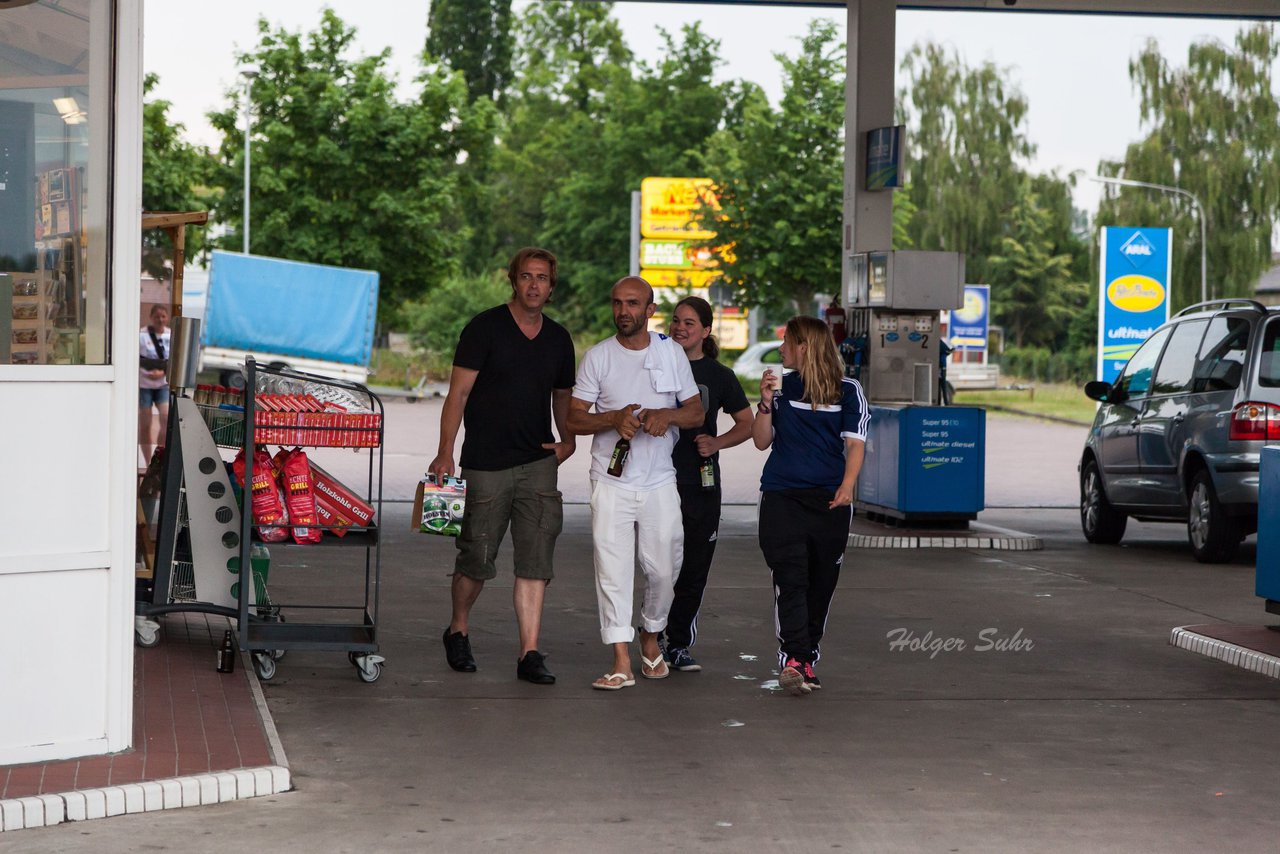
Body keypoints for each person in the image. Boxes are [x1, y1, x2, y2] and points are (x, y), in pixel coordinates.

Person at [429, 247, 577, 686]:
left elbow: (563, 396)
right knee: (476, 558)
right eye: (527, 276)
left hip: (538, 464)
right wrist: (444, 451)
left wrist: (568, 439)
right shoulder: (484, 328)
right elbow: (457, 396)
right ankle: (457, 629)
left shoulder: (558, 339)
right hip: (485, 464)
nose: (534, 285)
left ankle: (529, 652)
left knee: (536, 561)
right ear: (513, 280)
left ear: (552, 286)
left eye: (543, 278)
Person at [567, 276, 704, 691]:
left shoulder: (672, 353)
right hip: (610, 479)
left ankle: (650, 635)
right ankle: (620, 660)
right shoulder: (598, 358)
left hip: (660, 478)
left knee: (664, 568)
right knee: (612, 569)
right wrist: (610, 418)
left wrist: (667, 415)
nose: (623, 311)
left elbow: (695, 412)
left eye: (632, 303)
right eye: (616, 303)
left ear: (649, 311)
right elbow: (573, 419)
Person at [752, 316, 868, 696]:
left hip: (831, 500)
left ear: (804, 346)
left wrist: (848, 486)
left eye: (787, 342)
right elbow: (760, 441)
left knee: (821, 581)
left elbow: (854, 444)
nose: (781, 349)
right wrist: (766, 402)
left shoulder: (848, 390)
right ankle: (794, 657)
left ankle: (806, 657)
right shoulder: (782, 388)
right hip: (782, 496)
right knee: (791, 576)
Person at [662, 296, 753, 672]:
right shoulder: (655, 365)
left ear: (706, 331)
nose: (680, 328)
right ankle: (651, 634)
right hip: (657, 479)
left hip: (700, 482)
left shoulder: (719, 375)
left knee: (694, 566)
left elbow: (746, 423)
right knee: (659, 563)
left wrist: (716, 442)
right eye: (676, 321)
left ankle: (678, 643)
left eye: (689, 323)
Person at [138, 303, 171, 466]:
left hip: (163, 384)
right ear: (151, 317)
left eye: (163, 316)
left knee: (165, 418)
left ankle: (159, 455)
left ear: (167, 318)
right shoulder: (141, 336)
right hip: (144, 385)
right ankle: (146, 461)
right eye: (157, 316)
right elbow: (136, 359)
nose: (160, 319)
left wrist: (162, 373)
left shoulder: (171, 336)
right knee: (145, 423)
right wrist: (148, 373)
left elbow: (173, 360)